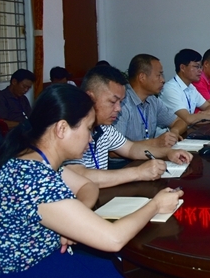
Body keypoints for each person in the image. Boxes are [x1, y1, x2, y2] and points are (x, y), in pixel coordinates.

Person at [0, 84, 181, 278]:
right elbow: (113, 239)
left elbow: (87, 186)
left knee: (132, 276)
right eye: (88, 129)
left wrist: (72, 221)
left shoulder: (36, 160)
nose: (90, 138)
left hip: (47, 260)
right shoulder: (31, 178)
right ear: (62, 129)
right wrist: (155, 205)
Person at [64, 65, 192, 188]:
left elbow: (131, 148)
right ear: (90, 98)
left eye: (120, 102)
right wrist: (138, 172)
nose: (118, 108)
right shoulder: (70, 130)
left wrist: (168, 153)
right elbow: (80, 175)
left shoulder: (104, 128)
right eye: (113, 102)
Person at [113, 54, 187, 147]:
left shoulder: (152, 100)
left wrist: (173, 133)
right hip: (129, 157)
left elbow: (180, 122)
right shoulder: (122, 103)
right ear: (142, 77)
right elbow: (114, 148)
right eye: (159, 75)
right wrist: (155, 143)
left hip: (149, 154)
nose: (163, 80)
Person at [160, 49, 210, 125]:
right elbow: (188, 119)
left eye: (200, 67)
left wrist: (205, 114)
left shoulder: (191, 87)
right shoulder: (170, 89)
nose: (200, 71)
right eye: (196, 67)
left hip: (192, 129)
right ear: (182, 67)